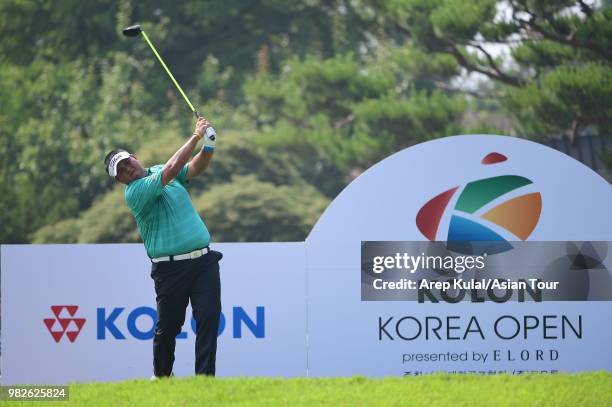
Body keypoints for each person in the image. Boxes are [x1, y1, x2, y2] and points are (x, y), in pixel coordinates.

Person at [104, 117, 222, 378]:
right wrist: (195, 136)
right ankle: (162, 379)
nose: (127, 170)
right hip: (170, 269)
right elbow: (171, 169)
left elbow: (193, 168)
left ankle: (205, 381)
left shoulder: (157, 169)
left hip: (203, 261)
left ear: (135, 157)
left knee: (209, 317)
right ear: (119, 181)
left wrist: (209, 145)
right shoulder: (134, 192)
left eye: (127, 163)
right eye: (120, 171)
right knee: (168, 328)